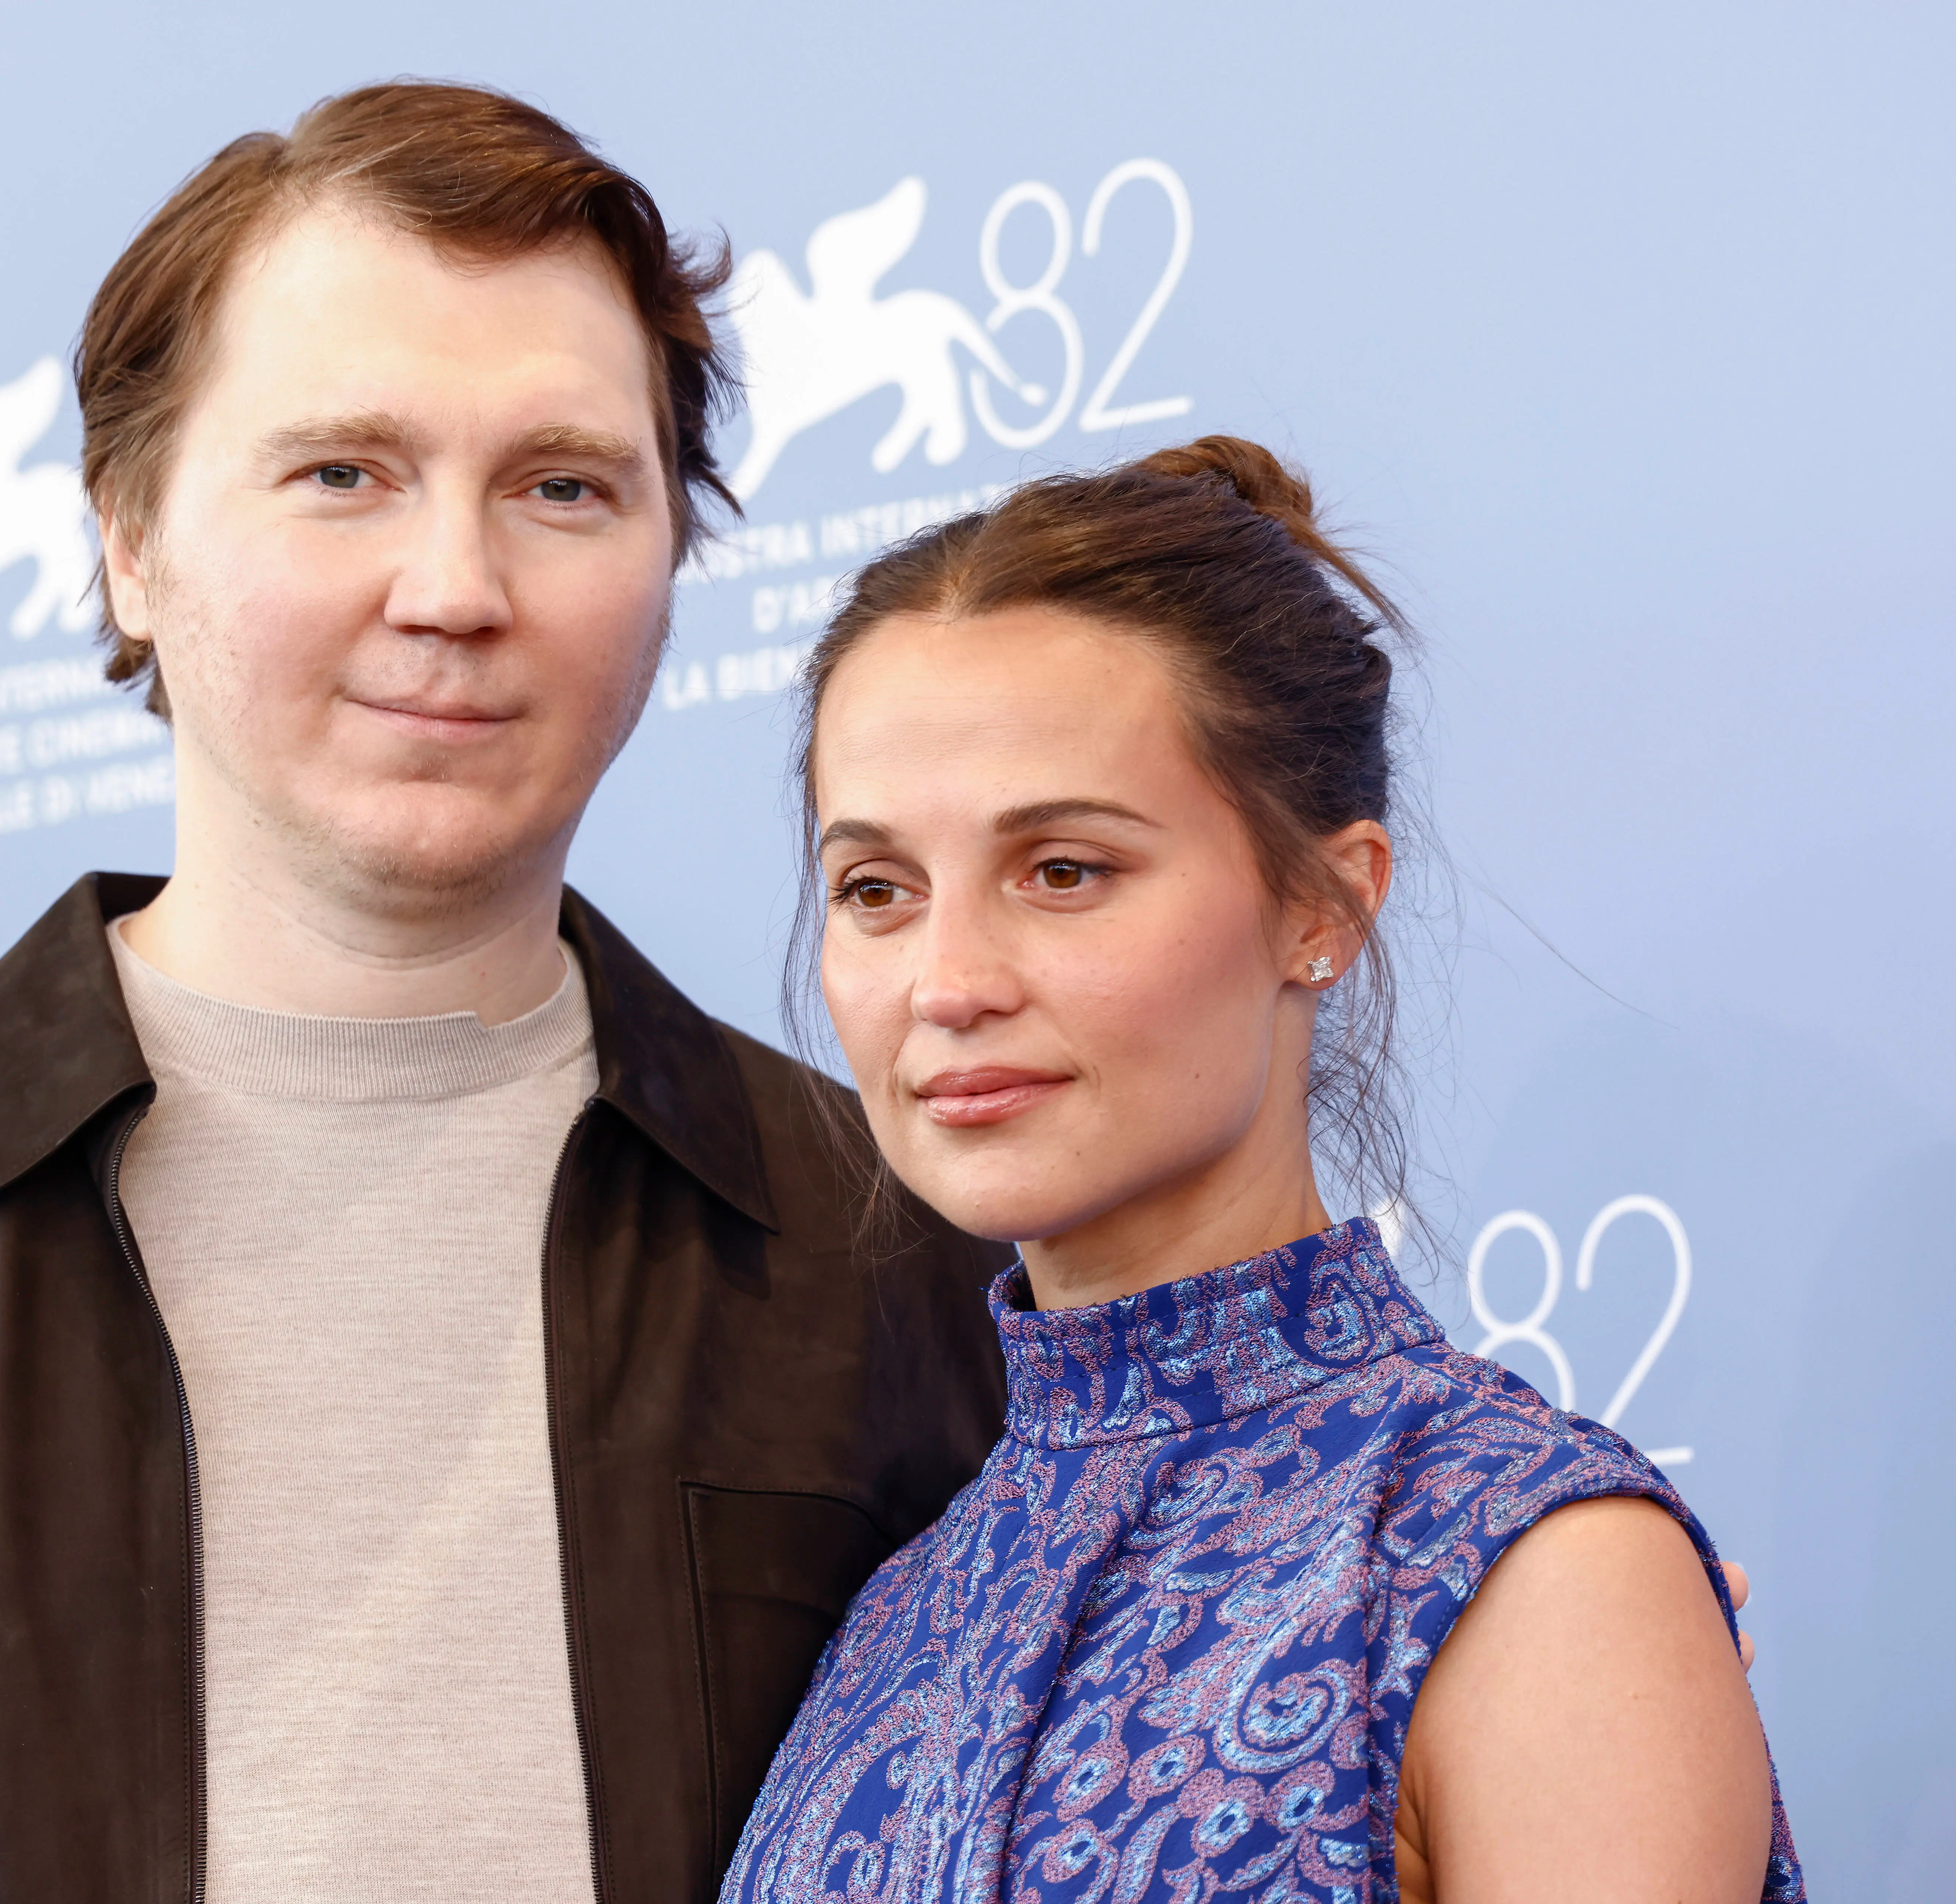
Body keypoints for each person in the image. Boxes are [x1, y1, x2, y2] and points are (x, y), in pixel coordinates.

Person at [0, 83, 1007, 1904]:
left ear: (675, 559)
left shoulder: (900, 1253)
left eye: (563, 487)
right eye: (343, 473)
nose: (455, 587)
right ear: (129, 536)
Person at [722, 439, 1804, 1902]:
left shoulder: (1522, 1556)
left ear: (1323, 905)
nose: (946, 981)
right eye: (876, 889)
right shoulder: (892, 1623)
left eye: (1063, 870)